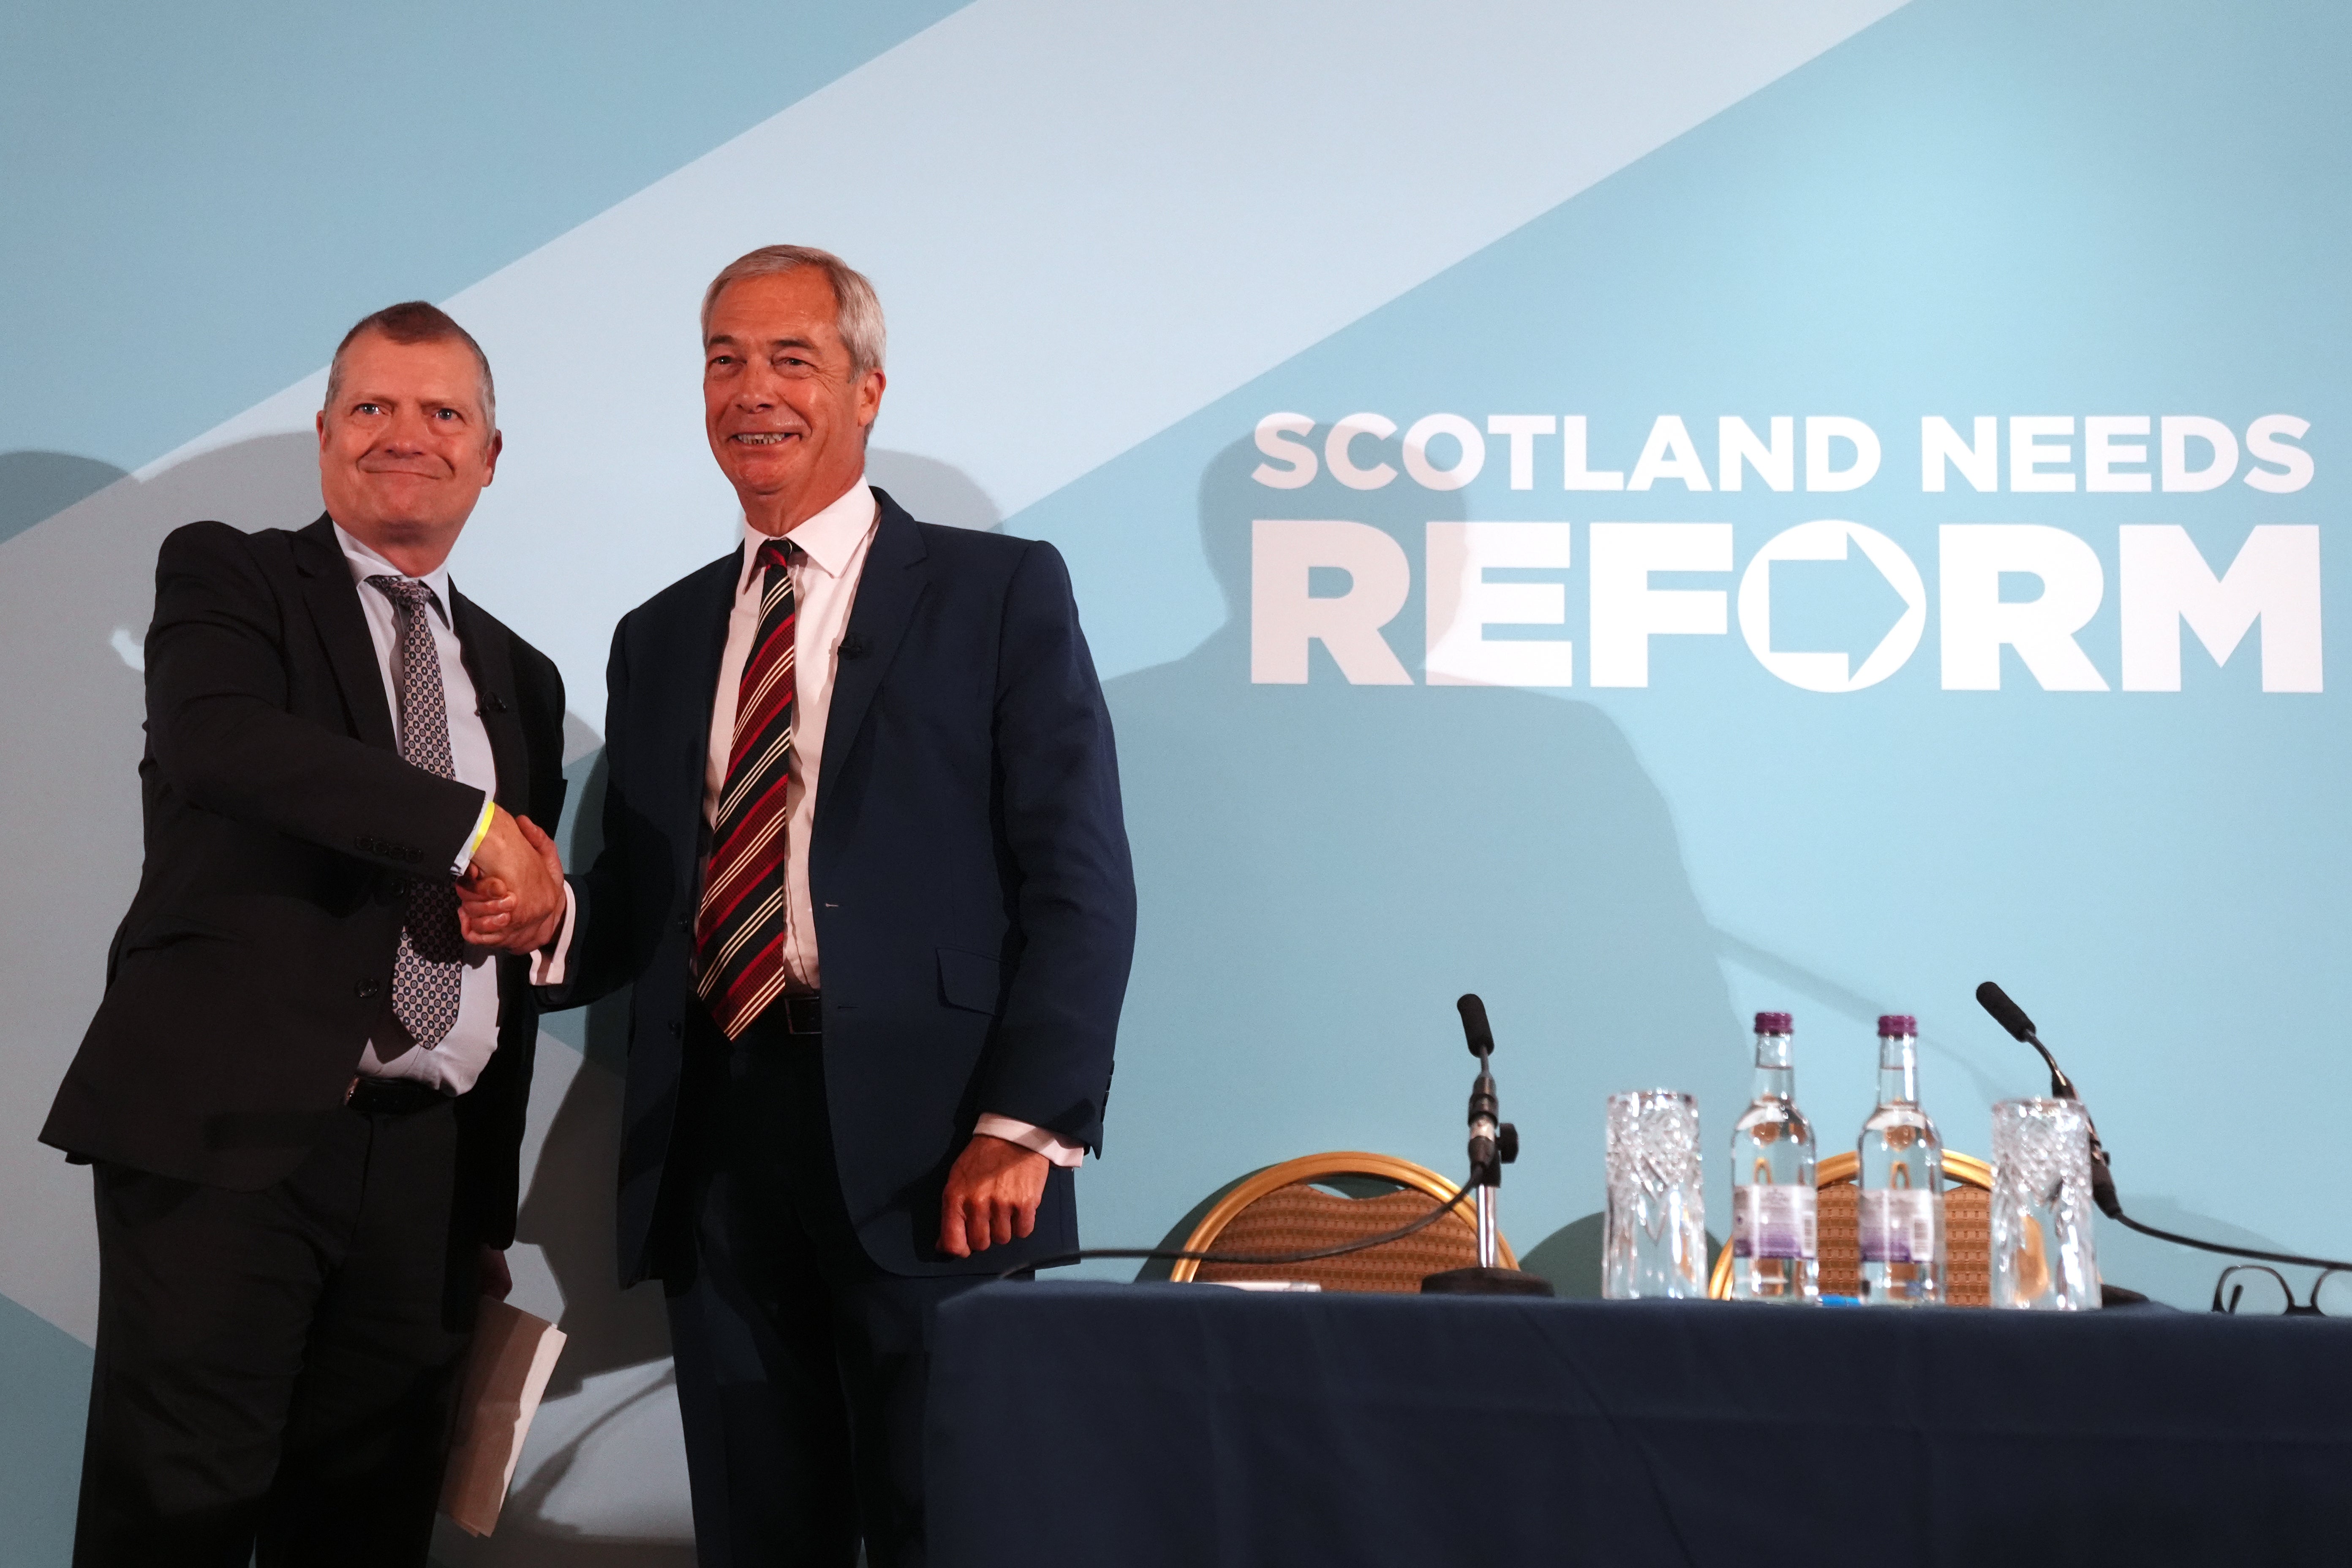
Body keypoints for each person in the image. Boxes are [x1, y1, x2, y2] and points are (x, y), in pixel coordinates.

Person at [463, 245, 1134, 1567]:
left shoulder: (1000, 593)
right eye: (725, 360)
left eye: (792, 360)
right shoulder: (660, 634)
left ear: (867, 389)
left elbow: (1080, 881)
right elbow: (651, 898)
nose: (752, 390)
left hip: (942, 1153)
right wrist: (548, 920)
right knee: (758, 1532)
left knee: (951, 1524)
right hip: (716, 1146)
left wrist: (1026, 1123)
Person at [40, 302, 570, 1566]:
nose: (407, 435)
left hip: (430, 1177)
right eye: (372, 407)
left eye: (443, 412)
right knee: (175, 1521)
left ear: (491, 454)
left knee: (365, 1531)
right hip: (234, 1144)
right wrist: (471, 828)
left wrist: (482, 1215)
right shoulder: (229, 575)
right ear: (325, 435)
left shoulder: (524, 675)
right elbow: (224, 746)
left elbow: (510, 928)